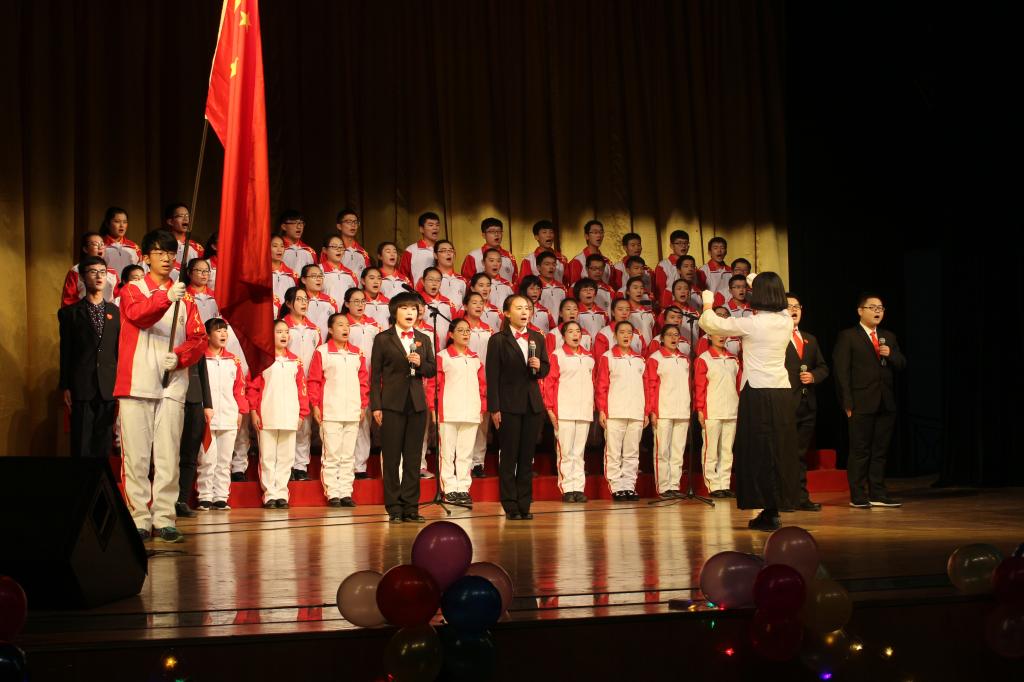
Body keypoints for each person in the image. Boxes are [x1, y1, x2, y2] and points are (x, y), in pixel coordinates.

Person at [115, 229, 206, 543]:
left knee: (168, 455)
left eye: (170, 253)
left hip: (172, 384)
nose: (166, 258)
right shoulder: (132, 289)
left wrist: (180, 357)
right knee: (137, 457)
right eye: (159, 252)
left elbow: (199, 339)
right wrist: (166, 298)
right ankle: (139, 518)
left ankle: (164, 517)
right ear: (146, 257)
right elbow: (138, 316)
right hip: (137, 382)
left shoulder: (187, 298)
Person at [698, 271, 798, 532]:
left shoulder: (752, 323)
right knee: (779, 450)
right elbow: (778, 305)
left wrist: (707, 302)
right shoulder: (785, 320)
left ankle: (766, 510)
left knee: (758, 451)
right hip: (781, 393)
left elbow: (711, 323)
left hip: (757, 392)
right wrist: (757, 281)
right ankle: (775, 508)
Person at [832, 294, 906, 509]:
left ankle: (878, 493)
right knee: (860, 450)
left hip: (886, 402)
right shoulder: (848, 336)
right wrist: (846, 402)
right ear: (860, 311)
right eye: (872, 307)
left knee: (880, 450)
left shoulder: (888, 337)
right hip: (860, 402)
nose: (877, 311)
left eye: (880, 308)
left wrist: (890, 354)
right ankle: (857, 494)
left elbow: (902, 363)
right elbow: (841, 372)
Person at [370, 291, 437, 523]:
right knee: (391, 459)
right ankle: (394, 508)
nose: (410, 312)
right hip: (391, 405)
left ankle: (411, 507)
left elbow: (432, 369)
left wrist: (420, 364)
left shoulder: (424, 338)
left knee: (413, 459)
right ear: (394, 312)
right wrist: (376, 406)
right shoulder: (383, 339)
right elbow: (375, 375)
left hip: (417, 405)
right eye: (405, 308)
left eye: (413, 309)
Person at [487, 294, 549, 520]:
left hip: (532, 405)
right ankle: (510, 505)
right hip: (508, 405)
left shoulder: (537, 337)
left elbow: (546, 368)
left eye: (527, 308)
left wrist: (539, 366)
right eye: (519, 308)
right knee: (509, 457)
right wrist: (494, 408)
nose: (524, 312)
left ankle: (524, 504)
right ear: (506, 313)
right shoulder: (498, 340)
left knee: (527, 458)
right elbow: (492, 376)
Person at [58, 255, 120, 459]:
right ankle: (81, 480)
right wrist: (65, 385)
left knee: (103, 445)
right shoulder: (69, 313)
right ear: (83, 278)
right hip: (81, 385)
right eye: (93, 272)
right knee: (81, 444)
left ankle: (99, 480)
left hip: (108, 386)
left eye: (102, 272)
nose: (99, 276)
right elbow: (66, 351)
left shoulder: (116, 312)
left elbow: (118, 351)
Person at [307, 313, 368, 507]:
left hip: (352, 411)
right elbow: (314, 381)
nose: (345, 328)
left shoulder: (357, 353)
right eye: (340, 325)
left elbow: (363, 382)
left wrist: (363, 405)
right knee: (332, 454)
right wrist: (315, 405)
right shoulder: (323, 352)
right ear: (331, 330)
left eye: (347, 325)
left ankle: (346, 492)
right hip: (330, 411)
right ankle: (333, 493)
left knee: (348, 455)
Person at [248, 319, 309, 509]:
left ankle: (281, 493)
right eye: (279, 332)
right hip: (267, 414)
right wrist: (253, 411)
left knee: (286, 457)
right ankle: (269, 494)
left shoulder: (295, 361)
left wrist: (302, 413)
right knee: (267, 457)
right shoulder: (262, 359)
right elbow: (253, 387)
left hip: (290, 415)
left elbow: (302, 389)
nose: (284, 335)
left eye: (286, 332)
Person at [430, 318, 487, 506]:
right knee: (447, 453)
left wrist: (482, 408)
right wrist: (433, 408)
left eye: (467, 330)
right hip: (449, 411)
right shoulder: (443, 356)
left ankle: (463, 487)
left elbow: (482, 387)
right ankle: (449, 488)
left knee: (465, 453)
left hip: (471, 411)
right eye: (460, 330)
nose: (465, 334)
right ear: (451, 335)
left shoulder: (475, 358)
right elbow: (433, 386)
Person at [196, 318, 248, 511]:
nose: (223, 334)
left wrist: (240, 410)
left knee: (225, 460)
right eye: (218, 331)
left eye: (225, 330)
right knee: (207, 459)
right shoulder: (201, 358)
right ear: (208, 335)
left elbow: (239, 388)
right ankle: (205, 496)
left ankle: (220, 496)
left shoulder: (233, 360)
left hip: (228, 415)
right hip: (207, 416)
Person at [784, 293, 830, 512]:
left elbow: (823, 367)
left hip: (807, 404)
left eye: (797, 306)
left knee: (800, 454)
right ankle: (783, 497)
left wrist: (813, 376)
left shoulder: (810, 339)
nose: (794, 309)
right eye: (789, 306)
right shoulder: (776, 339)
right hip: (785, 404)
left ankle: (801, 497)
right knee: (785, 453)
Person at [595, 320, 648, 501]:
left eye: (629, 332)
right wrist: (602, 409)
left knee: (632, 452)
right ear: (615, 335)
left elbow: (646, 387)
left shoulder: (640, 359)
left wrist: (646, 411)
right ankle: (616, 487)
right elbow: (601, 385)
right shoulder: (608, 357)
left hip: (636, 411)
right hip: (615, 411)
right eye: (622, 332)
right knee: (613, 452)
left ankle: (629, 486)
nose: (626, 336)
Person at [542, 321, 594, 503]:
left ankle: (578, 488)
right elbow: (549, 383)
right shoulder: (557, 355)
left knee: (579, 453)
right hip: (564, 411)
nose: (575, 334)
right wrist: (550, 409)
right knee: (565, 452)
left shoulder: (589, 357)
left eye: (578, 331)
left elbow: (594, 382)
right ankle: (567, 489)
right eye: (570, 331)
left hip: (584, 410)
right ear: (563, 336)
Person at [644, 324, 692, 499]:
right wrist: (652, 410)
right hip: (663, 410)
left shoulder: (685, 359)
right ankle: (664, 487)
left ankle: (674, 485)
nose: (673, 338)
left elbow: (689, 385)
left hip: (682, 410)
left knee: (678, 451)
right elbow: (650, 386)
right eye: (669, 335)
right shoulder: (655, 358)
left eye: (676, 335)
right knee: (662, 451)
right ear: (662, 339)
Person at [279, 286, 322, 481]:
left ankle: (300, 466)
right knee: (286, 425)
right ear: (289, 303)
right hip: (286, 381)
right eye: (299, 299)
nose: (304, 303)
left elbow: (318, 358)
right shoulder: (282, 327)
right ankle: (285, 466)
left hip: (308, 383)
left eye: (306, 299)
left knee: (305, 427)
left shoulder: (314, 330)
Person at [694, 333, 741, 499]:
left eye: (723, 334)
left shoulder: (733, 359)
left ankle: (724, 484)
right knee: (711, 449)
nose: (721, 337)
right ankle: (713, 484)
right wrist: (700, 409)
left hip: (732, 409)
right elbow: (699, 386)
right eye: (717, 334)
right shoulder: (704, 359)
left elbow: (738, 385)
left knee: (727, 450)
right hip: (712, 410)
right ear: (709, 336)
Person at [342, 287, 381, 480]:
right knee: (351, 424)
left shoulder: (374, 325)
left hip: (371, 379)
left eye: (362, 301)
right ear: (346, 304)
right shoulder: (343, 324)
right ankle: (345, 466)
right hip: (349, 379)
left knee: (365, 423)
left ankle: (360, 467)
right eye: (355, 301)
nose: (360, 305)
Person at [175, 338, 213, 520]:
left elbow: (203, 373)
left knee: (190, 453)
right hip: (172, 398)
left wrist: (208, 404)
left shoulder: (197, 339)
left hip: (195, 400)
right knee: (170, 453)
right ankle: (166, 499)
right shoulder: (170, 335)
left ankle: (182, 500)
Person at [460, 291, 495, 478]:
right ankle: (462, 462)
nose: (479, 306)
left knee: (482, 423)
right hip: (463, 380)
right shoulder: (460, 327)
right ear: (465, 306)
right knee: (463, 423)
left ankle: (478, 462)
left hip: (484, 380)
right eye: (474, 302)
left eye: (481, 303)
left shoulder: (489, 330)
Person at [62, 232, 119, 307]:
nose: (100, 247)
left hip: (108, 313)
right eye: (95, 244)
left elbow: (118, 298)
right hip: (83, 312)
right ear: (85, 249)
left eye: (102, 244)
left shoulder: (113, 273)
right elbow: (68, 300)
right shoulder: (76, 271)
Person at [461, 217, 517, 283]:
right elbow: (466, 282)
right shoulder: (473, 256)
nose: (496, 234)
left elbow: (515, 282)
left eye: (499, 231)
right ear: (484, 235)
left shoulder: (509, 256)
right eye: (492, 231)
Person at [163, 203, 204, 281]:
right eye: (180, 216)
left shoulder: (197, 247)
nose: (185, 219)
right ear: (170, 221)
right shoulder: (162, 245)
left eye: (187, 215)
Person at [518, 220, 568, 284]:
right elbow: (524, 284)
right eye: (544, 232)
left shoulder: (562, 259)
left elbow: (566, 283)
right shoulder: (528, 260)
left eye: (551, 232)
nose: (549, 235)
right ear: (536, 237)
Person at [399, 211, 441, 286]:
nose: (435, 228)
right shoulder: (411, 250)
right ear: (421, 229)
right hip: (417, 292)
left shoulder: (444, 249)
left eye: (437, 225)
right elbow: (402, 275)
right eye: (431, 225)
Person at [566, 220, 612, 285]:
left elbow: (611, 287)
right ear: (586, 236)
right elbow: (573, 288)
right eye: (595, 232)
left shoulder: (607, 262)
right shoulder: (577, 261)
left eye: (601, 232)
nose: (599, 235)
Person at [301, 264, 341, 338]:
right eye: (314, 276)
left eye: (320, 276)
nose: (318, 279)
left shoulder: (331, 302)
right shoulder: (298, 300)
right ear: (304, 280)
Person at [99, 206, 141, 277]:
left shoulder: (134, 247)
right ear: (107, 223)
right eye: (117, 221)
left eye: (125, 222)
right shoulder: (100, 245)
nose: (122, 225)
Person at [417, 266, 455, 343]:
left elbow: (455, 326)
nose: (434, 284)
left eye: (438, 280)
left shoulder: (449, 303)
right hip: (424, 344)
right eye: (430, 280)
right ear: (423, 282)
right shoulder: (417, 303)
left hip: (446, 347)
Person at [321, 235, 361, 305]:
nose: (338, 250)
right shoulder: (318, 271)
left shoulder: (350, 274)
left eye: (341, 247)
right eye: (334, 247)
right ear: (325, 250)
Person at [654, 229, 690, 303]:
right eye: (679, 243)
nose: (683, 246)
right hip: (671, 306)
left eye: (685, 243)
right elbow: (660, 292)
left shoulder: (691, 265)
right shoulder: (663, 266)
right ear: (671, 246)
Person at [334, 208, 372, 277]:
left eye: (355, 222)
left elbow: (368, 278)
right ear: (339, 226)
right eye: (348, 222)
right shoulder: (331, 249)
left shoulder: (363, 253)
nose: (353, 225)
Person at [278, 209, 316, 274]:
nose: (299, 227)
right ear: (284, 226)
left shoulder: (309, 251)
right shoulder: (276, 249)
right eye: (294, 223)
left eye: (301, 223)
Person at [622, 276, 656, 342]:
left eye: (641, 288)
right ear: (628, 291)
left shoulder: (649, 313)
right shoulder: (623, 313)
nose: (639, 291)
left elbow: (654, 335)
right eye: (635, 288)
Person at [434, 240, 468, 307]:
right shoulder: (428, 278)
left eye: (451, 250)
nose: (448, 253)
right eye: (444, 251)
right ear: (435, 255)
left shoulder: (462, 280)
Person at [271, 234, 299, 307]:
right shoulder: (261, 274)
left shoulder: (293, 275)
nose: (279, 249)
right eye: (275, 246)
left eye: (282, 246)